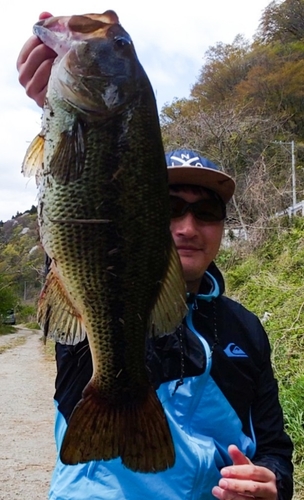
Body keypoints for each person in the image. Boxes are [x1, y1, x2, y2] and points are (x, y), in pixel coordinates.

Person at [17, 13, 293, 500]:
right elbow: (80, 229)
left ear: (223, 225)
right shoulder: (95, 313)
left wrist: (273, 482)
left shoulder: (245, 330)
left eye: (206, 211)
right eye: (169, 208)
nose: (188, 227)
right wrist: (61, 113)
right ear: (137, 209)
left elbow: (274, 449)